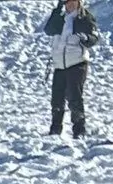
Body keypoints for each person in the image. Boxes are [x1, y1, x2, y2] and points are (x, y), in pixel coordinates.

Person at [42, 0, 96, 138]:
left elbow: (94, 37)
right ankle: (55, 130)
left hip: (77, 63)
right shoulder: (60, 19)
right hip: (60, 65)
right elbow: (48, 30)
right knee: (57, 99)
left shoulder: (84, 17)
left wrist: (85, 38)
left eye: (73, 2)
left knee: (74, 97)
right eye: (67, 2)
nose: (70, 5)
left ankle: (79, 130)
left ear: (79, 3)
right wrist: (57, 9)